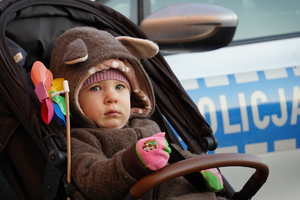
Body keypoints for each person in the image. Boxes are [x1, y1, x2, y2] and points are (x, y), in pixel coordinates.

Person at [49, 27, 224, 200]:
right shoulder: (81, 140)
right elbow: (93, 181)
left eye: (119, 87)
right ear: (73, 99)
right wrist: (132, 161)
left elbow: (173, 153)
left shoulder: (145, 125)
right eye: (95, 88)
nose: (112, 97)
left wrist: (197, 167)